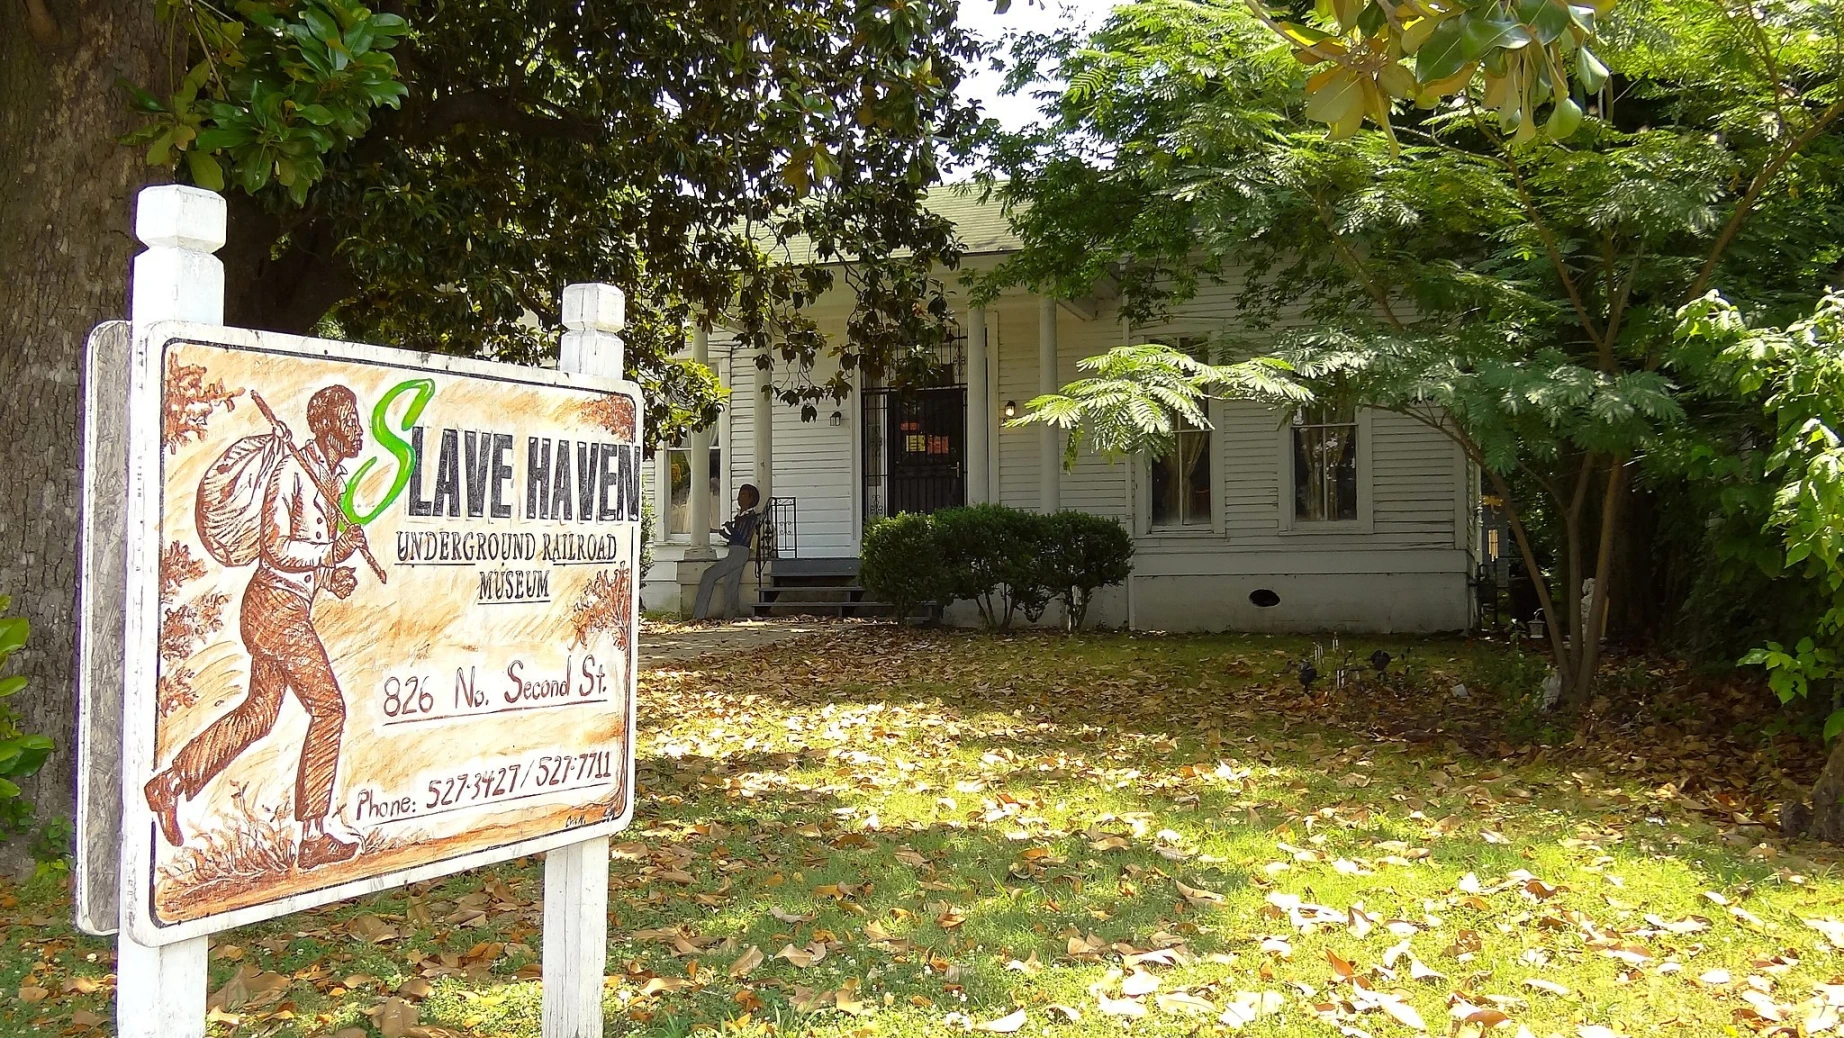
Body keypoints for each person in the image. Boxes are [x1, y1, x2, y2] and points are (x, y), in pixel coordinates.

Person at [144, 384, 370, 870]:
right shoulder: (292, 470)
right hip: (274, 609)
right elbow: (275, 549)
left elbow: (304, 556)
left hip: (286, 607)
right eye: (350, 419)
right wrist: (331, 553)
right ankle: (312, 835)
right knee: (329, 708)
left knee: (259, 715)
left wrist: (332, 575)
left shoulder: (328, 478)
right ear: (327, 425)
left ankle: (172, 781)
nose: (358, 429)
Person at [692, 484, 762, 621]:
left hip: (741, 552)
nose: (739, 498)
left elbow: (744, 539)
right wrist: (726, 534)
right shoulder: (740, 517)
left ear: (751, 499)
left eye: (743, 495)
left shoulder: (752, 518)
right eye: (739, 494)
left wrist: (731, 528)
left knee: (709, 575)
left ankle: (698, 615)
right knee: (730, 582)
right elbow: (736, 538)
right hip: (734, 551)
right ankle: (731, 615)